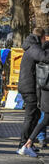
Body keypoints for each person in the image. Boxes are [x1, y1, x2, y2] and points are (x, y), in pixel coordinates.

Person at [17, 27, 49, 155]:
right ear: (42, 38)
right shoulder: (34, 48)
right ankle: (23, 144)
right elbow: (45, 57)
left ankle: (28, 143)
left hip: (28, 85)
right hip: (28, 86)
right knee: (30, 116)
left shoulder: (32, 46)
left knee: (35, 115)